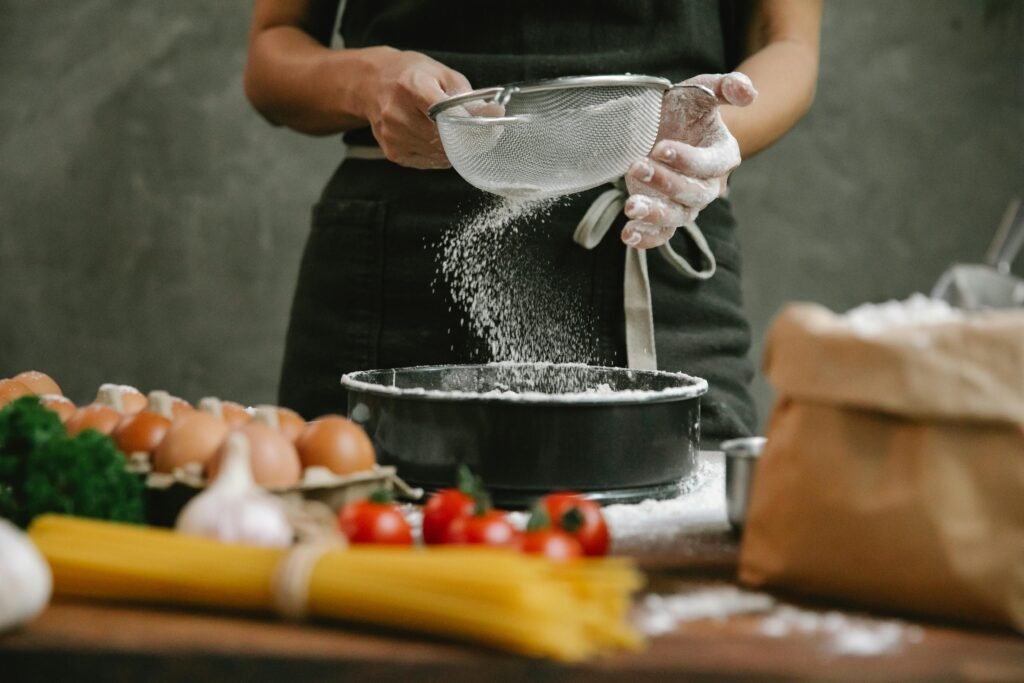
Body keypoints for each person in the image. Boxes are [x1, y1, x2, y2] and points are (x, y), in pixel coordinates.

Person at [244, 0, 821, 445]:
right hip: (396, 266)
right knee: (361, 560)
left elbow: (787, 40)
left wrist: (708, 135)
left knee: (679, 570)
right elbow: (273, 53)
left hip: (654, 229)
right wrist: (367, 80)